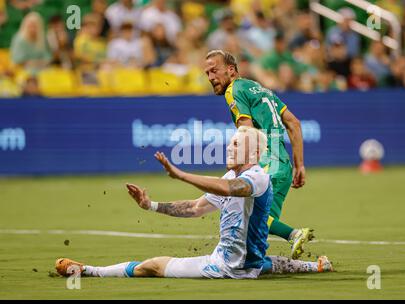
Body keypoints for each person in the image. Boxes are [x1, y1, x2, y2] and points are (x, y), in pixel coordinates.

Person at [55, 126, 333, 279]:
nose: (229, 147)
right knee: (270, 264)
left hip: (225, 268)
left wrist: (180, 174)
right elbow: (196, 207)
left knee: (152, 266)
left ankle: (89, 271)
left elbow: (231, 188)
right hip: (251, 264)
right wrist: (151, 206)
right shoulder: (233, 176)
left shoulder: (257, 177)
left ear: (254, 151)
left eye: (236, 144)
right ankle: (317, 267)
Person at [204, 50, 313, 259]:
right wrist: (299, 166)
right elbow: (294, 124)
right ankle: (279, 251)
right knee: (260, 224)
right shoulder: (261, 90)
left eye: (214, 71)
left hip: (266, 163)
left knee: (249, 214)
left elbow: (246, 130)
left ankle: (294, 235)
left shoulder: (234, 90)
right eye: (207, 73)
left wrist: (237, 162)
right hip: (283, 166)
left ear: (231, 70)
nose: (210, 78)